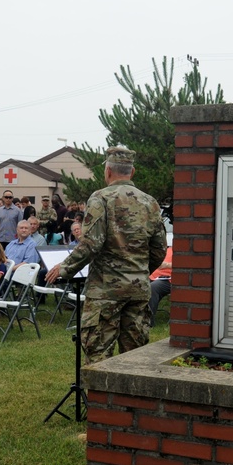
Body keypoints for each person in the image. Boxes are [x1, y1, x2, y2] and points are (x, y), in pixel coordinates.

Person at [46, 147, 167, 364]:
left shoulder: (100, 198)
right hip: (138, 289)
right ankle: (131, 398)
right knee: (136, 355)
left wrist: (64, 267)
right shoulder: (150, 202)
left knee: (99, 354)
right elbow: (159, 248)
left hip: (106, 290)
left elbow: (92, 243)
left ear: (108, 171)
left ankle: (100, 398)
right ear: (133, 171)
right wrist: (139, 271)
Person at [148, 246, 174, 327]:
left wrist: (167, 265)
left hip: (169, 280)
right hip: (152, 276)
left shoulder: (185, 252)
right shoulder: (166, 249)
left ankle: (148, 322)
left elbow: (187, 265)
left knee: (153, 287)